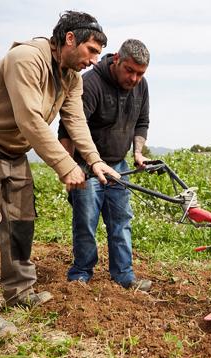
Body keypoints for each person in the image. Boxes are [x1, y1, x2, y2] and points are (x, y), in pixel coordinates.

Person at [0, 10, 121, 338]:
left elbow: (75, 122)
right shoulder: (25, 58)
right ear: (69, 38)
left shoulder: (71, 78)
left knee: (21, 222)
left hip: (14, 149)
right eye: (91, 50)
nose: (93, 60)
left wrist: (94, 160)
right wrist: (66, 165)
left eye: (98, 55)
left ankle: (19, 292)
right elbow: (29, 119)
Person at [58, 39, 152, 292]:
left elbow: (142, 122)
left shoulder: (141, 86)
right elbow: (68, 126)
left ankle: (124, 275)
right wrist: (69, 167)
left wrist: (138, 154)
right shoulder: (91, 84)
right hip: (87, 166)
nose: (134, 78)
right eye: (129, 71)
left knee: (121, 221)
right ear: (117, 59)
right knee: (86, 221)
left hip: (119, 165)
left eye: (140, 74)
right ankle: (81, 274)